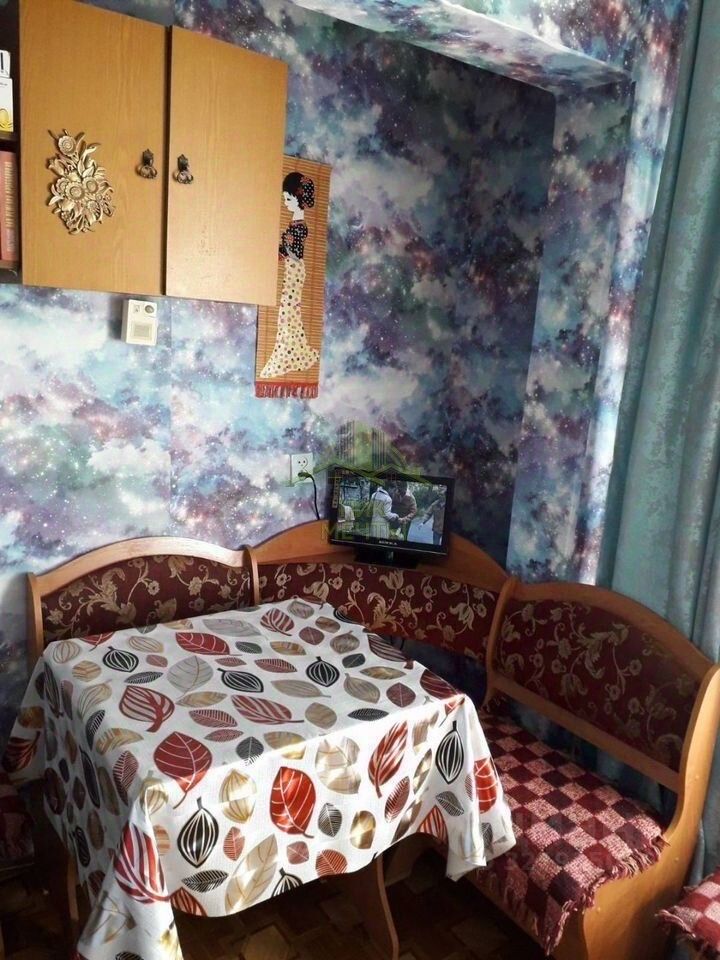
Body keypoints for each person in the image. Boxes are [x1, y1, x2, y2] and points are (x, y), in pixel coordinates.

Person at [259, 172, 320, 379]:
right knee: (289, 311)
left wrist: (284, 247)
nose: (285, 203)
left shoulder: (300, 226)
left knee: (288, 310)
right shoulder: (294, 223)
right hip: (291, 270)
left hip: (295, 270)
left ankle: (287, 354)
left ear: (298, 197)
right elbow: (285, 251)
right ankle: (294, 353)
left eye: (287, 199)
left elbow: (294, 253)